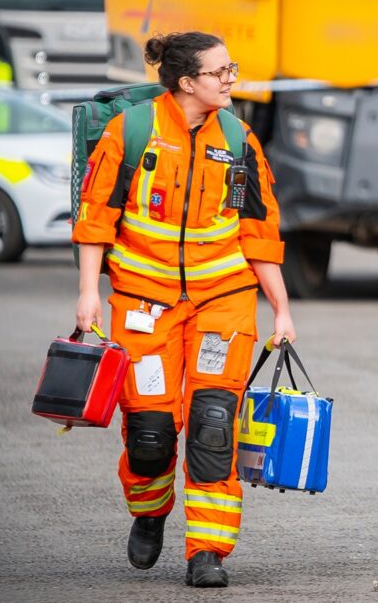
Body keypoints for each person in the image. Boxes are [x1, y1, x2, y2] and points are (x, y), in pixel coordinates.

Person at [73, 31, 294, 588]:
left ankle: (208, 552)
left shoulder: (240, 139)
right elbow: (96, 218)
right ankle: (149, 513)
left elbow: (259, 232)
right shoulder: (133, 131)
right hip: (143, 305)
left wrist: (281, 309)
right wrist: (87, 293)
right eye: (220, 72)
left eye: (231, 68)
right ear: (186, 82)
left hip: (223, 301)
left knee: (214, 424)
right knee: (149, 434)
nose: (230, 79)